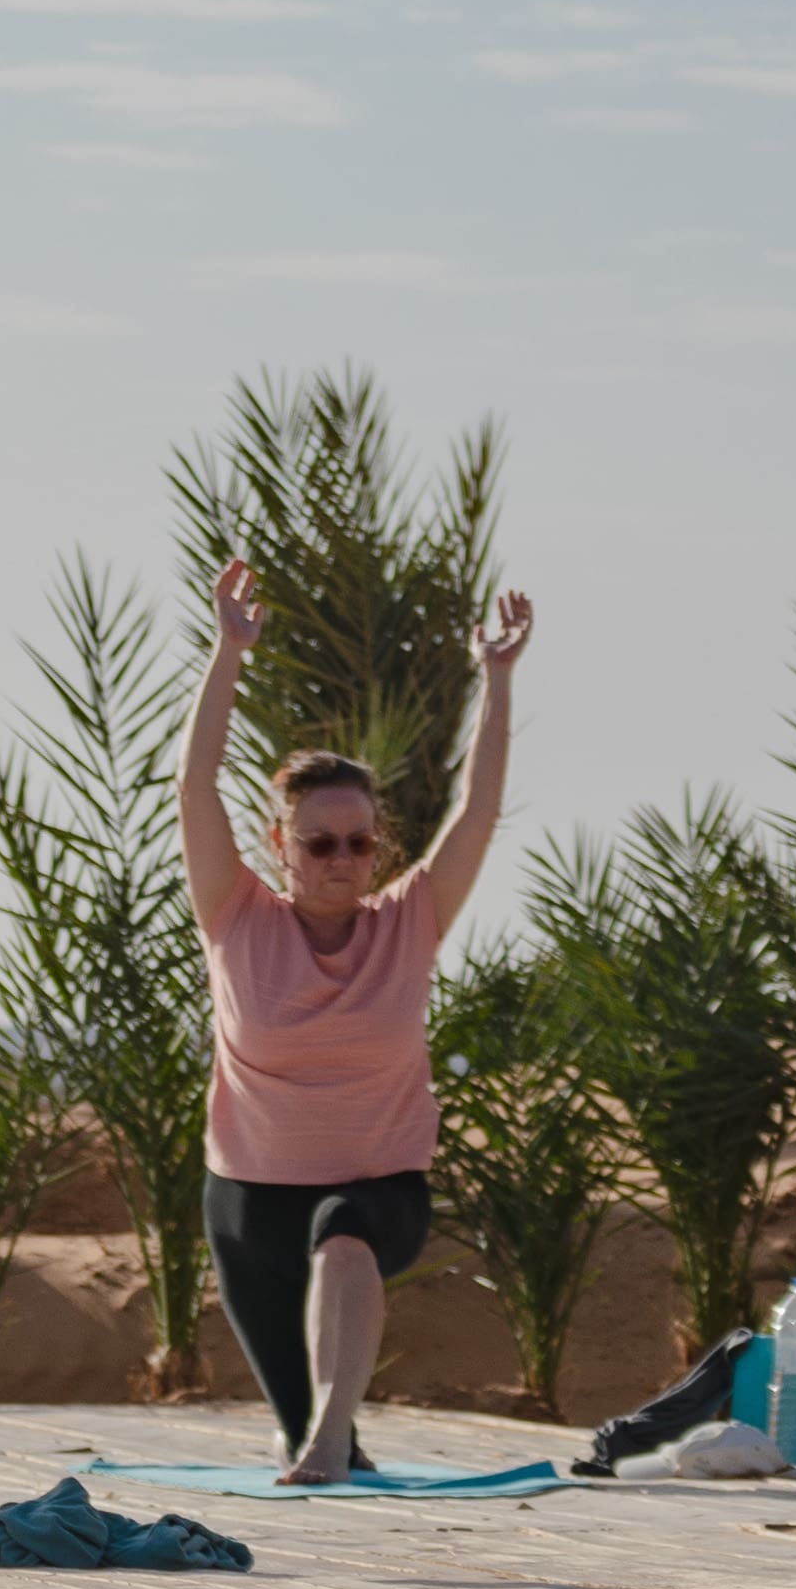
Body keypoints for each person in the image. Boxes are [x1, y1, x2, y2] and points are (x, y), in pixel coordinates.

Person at [181, 565, 531, 1482]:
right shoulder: (235, 915)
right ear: (280, 845)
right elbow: (195, 785)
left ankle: (333, 1433)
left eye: (361, 841)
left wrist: (494, 679)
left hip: (380, 1187)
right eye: (320, 842)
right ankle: (328, 1439)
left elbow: (480, 812)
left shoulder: (409, 920)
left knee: (343, 1240)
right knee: (305, 1430)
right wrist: (229, 653)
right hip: (249, 1202)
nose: (343, 860)